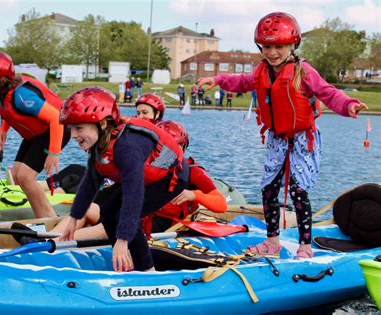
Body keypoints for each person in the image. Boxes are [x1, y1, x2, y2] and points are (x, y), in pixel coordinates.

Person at [197, 12, 368, 259]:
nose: (272, 52)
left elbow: (328, 92)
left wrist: (348, 104)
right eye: (267, 46)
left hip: (302, 138)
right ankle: (272, 242)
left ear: (292, 44)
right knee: (268, 189)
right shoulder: (261, 72)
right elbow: (241, 81)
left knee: (298, 192)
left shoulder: (303, 71)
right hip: (277, 138)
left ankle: (305, 246)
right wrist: (217, 79)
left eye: (278, 46)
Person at [57, 87, 189, 272]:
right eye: (71, 128)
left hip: (171, 178)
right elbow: (91, 181)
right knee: (107, 211)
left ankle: (147, 270)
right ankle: (124, 258)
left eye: (79, 128)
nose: (73, 135)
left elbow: (133, 195)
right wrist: (74, 218)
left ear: (102, 124)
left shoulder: (126, 146)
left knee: (124, 216)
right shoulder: (100, 144)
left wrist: (122, 239)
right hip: (145, 177)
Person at [0, 51, 71, 218]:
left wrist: (54, 152)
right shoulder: (4, 93)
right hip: (36, 135)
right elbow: (11, 112)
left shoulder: (22, 95)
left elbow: (55, 117)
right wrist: (3, 129)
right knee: (17, 173)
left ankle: (46, 219)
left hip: (55, 130)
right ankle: (46, 213)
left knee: (26, 176)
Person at [142, 120, 228, 233]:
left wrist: (194, 195)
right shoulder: (145, 167)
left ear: (183, 148)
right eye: (164, 148)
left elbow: (221, 205)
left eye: (174, 147)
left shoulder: (194, 172)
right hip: (144, 224)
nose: (169, 154)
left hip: (175, 229)